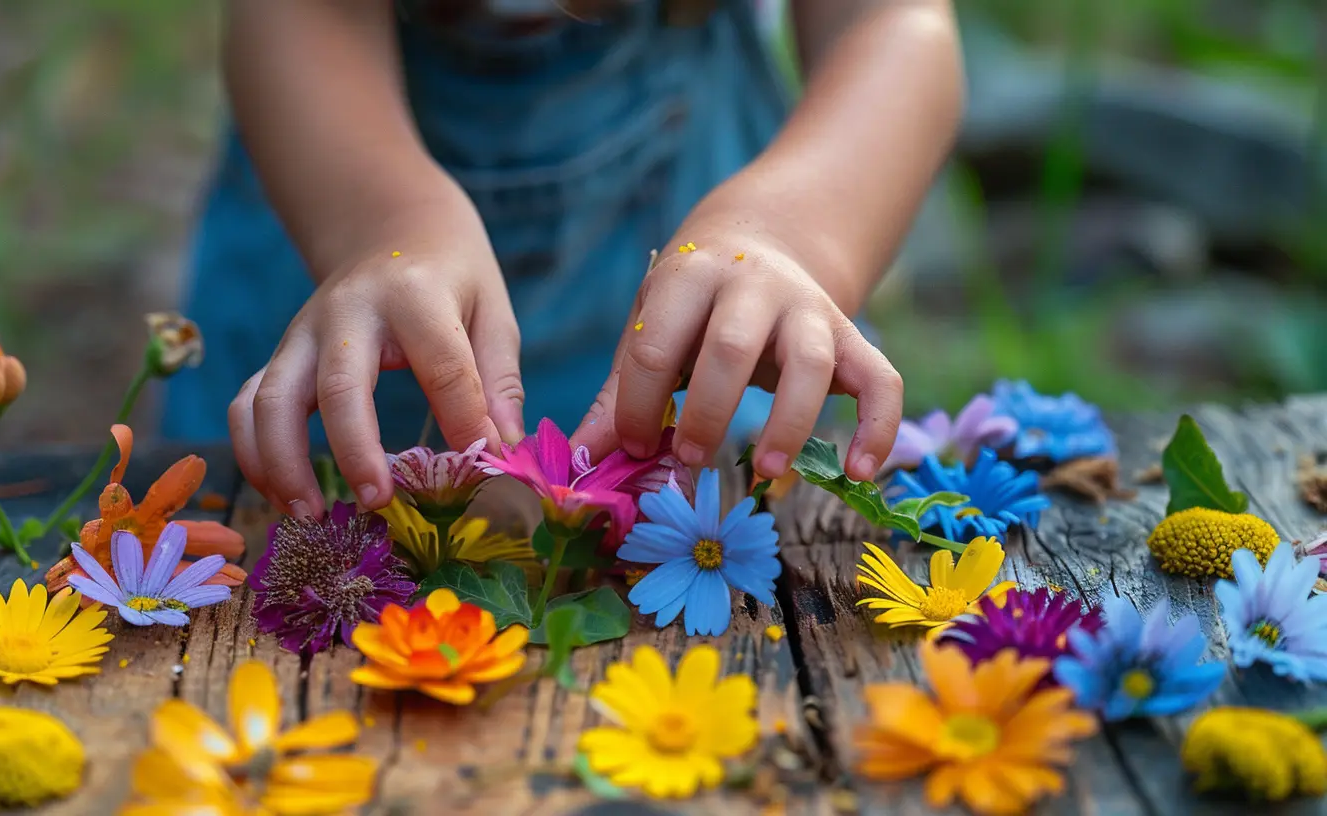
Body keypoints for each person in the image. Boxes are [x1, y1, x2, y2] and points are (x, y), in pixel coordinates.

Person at [164, 0, 963, 519]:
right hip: (330, 228)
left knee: (696, 496)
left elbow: (892, 25)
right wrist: (378, 228)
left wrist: (794, 236)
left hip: (709, 297)